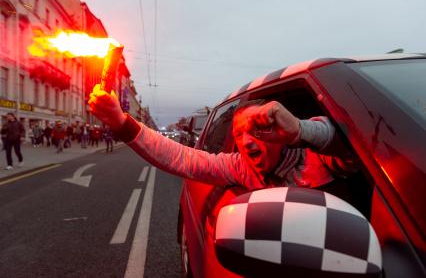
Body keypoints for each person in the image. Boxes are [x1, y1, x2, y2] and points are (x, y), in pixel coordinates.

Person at [89, 86, 356, 190]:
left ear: (280, 133)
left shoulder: (319, 159)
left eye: (257, 130)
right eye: (239, 135)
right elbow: (181, 158)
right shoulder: (239, 166)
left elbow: (354, 145)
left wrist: (300, 130)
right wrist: (123, 123)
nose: (246, 141)